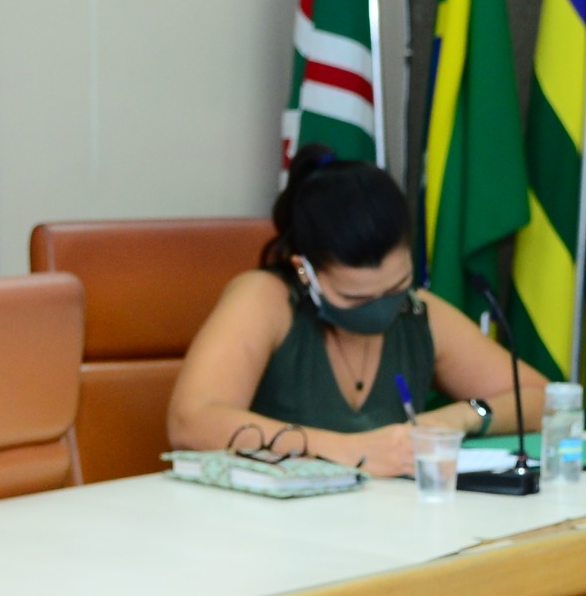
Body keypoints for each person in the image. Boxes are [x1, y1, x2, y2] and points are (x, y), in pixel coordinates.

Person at [169, 156, 545, 474]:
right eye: (355, 297)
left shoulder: (417, 313)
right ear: (305, 270)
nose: (381, 306)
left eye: (396, 287)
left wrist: (461, 417)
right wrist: (351, 451)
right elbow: (192, 422)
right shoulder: (265, 298)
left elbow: (545, 399)